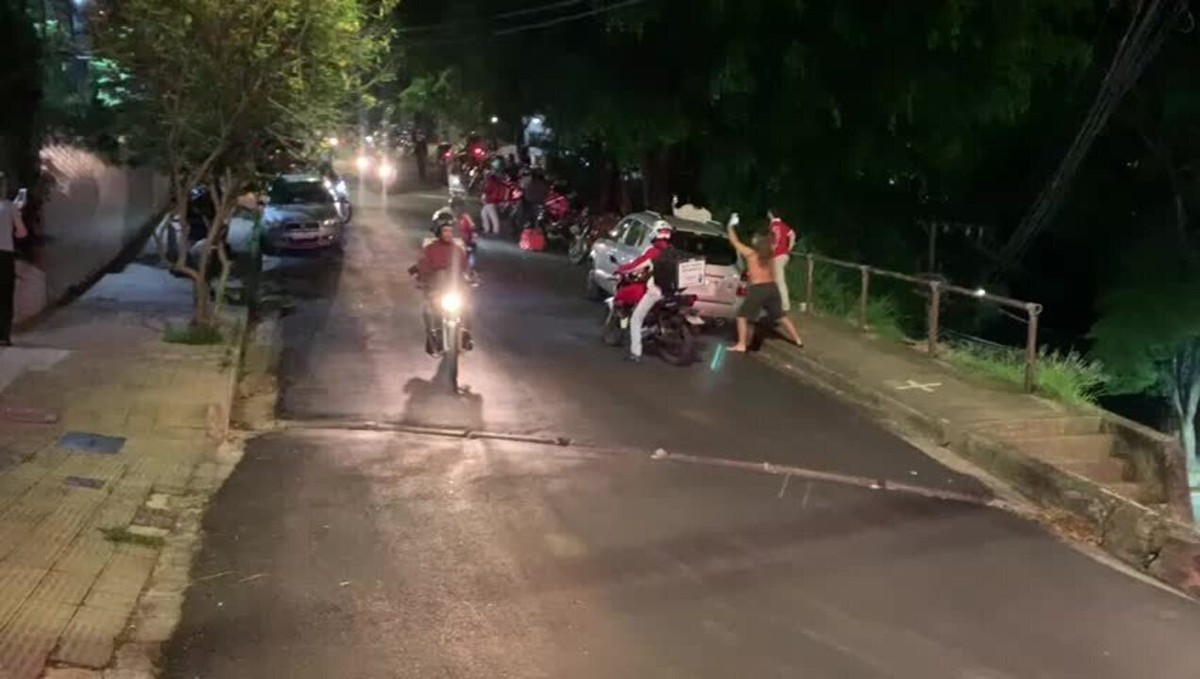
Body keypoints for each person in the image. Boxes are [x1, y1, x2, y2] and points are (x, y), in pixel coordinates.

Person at [726, 216, 803, 352]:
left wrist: (730, 226)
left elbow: (734, 241)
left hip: (758, 289)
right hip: (772, 287)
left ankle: (742, 344)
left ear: (757, 241)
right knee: (781, 316)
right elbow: (773, 273)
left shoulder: (751, 254)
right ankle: (798, 339)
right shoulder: (770, 254)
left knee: (742, 316)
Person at [409, 218, 471, 355]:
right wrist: (421, 280)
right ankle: (432, 334)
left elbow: (465, 268)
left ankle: (466, 333)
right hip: (436, 288)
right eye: (445, 231)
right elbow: (424, 266)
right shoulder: (430, 249)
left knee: (468, 306)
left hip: (454, 288)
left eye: (450, 231)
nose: (448, 234)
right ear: (438, 233)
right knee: (428, 308)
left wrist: (471, 277)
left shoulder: (458, 250)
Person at [615, 220, 674, 362]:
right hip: (672, 291)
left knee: (635, 319)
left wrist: (620, 269)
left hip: (655, 291)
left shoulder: (653, 251)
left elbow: (637, 264)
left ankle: (635, 353)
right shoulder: (672, 250)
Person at [0, 175, 29, 346]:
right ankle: (3, 335)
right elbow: (22, 232)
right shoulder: (10, 207)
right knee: (5, 294)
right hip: (5, 255)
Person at [768, 208, 797, 311]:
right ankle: (777, 302)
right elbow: (792, 234)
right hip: (784, 255)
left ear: (771, 215)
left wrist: (772, 250)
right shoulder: (783, 225)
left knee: (779, 280)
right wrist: (789, 248)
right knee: (776, 279)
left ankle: (785, 305)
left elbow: (773, 241)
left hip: (777, 255)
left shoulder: (773, 226)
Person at [480, 165, 508, 236]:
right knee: (485, 214)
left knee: (490, 215)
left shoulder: (490, 182)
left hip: (490, 200)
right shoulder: (493, 181)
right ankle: (489, 229)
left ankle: (493, 230)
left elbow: (488, 190)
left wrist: (484, 190)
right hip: (490, 200)